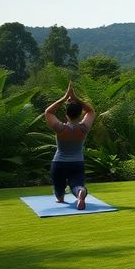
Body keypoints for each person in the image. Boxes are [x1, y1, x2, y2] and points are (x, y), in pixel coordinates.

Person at [43, 81, 96, 210]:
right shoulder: (84, 129)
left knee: (59, 197)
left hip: (59, 163)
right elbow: (91, 111)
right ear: (79, 114)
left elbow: (48, 112)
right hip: (77, 162)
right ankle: (80, 193)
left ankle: (61, 196)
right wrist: (76, 98)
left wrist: (65, 97)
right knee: (77, 185)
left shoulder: (60, 129)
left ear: (66, 114)